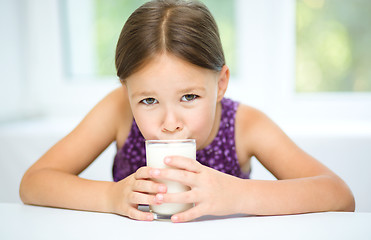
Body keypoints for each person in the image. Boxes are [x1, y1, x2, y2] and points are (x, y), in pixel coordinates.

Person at [19, 0, 355, 223]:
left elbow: (339, 195)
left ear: (221, 83)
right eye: (148, 101)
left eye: (190, 97)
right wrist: (110, 196)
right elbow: (34, 183)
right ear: (127, 92)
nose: (170, 123)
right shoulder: (118, 111)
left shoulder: (245, 125)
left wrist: (238, 194)